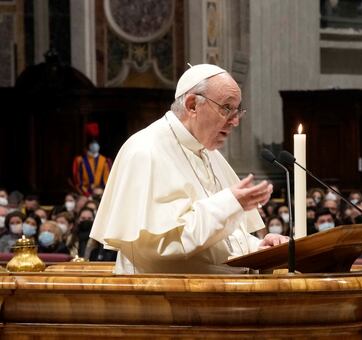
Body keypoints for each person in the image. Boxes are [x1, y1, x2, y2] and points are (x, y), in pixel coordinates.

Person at [89, 63, 287, 274]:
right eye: (227, 108)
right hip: (166, 299)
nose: (235, 121)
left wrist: (258, 248)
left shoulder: (209, 153)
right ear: (192, 105)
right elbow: (162, 247)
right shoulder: (145, 151)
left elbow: (220, 242)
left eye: (238, 111)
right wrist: (229, 202)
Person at [71, 123, 113, 197]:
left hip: (102, 196)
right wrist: (88, 194)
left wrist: (102, 191)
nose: (94, 145)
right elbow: (78, 183)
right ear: (88, 144)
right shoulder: (80, 161)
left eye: (96, 142)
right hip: (85, 196)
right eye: (92, 142)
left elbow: (108, 181)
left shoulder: (106, 161)